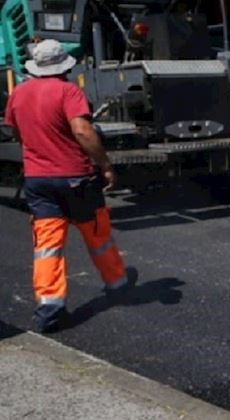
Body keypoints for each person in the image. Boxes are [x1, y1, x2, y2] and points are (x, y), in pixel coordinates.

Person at [4, 40, 131, 333]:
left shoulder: (19, 93)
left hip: (37, 180)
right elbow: (82, 130)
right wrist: (105, 165)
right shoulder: (68, 91)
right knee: (97, 234)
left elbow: (14, 129)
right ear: (63, 65)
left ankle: (50, 308)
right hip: (76, 177)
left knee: (47, 246)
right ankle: (118, 285)